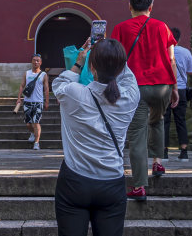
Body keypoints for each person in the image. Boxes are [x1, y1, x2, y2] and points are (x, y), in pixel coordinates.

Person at [52, 38, 140, 235]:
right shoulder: (131, 97)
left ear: (92, 67)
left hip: (75, 181)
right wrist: (113, 54)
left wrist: (78, 61)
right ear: (120, 67)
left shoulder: (74, 94)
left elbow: (60, 82)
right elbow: (126, 75)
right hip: (112, 182)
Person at [111, 0, 179, 200]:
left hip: (135, 87)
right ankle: (158, 163)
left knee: (137, 134)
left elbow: (114, 60)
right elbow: (172, 60)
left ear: (129, 5)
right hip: (162, 86)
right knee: (157, 121)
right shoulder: (163, 27)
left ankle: (140, 186)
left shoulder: (121, 28)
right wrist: (175, 87)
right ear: (151, 6)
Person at [163, 27, 192, 162]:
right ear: (179, 38)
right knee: (181, 120)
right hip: (181, 89)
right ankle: (184, 151)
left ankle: (163, 151)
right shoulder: (186, 52)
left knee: (164, 121)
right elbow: (191, 71)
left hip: (165, 89)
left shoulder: (162, 51)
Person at [17, 53, 50, 150]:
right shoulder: (27, 73)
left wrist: (46, 101)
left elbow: (47, 89)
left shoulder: (43, 74)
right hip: (27, 101)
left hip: (38, 102)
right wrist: (19, 98)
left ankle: (36, 142)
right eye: (34, 60)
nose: (36, 62)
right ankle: (32, 133)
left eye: (37, 60)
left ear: (40, 62)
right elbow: (22, 85)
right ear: (31, 62)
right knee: (28, 123)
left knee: (36, 122)